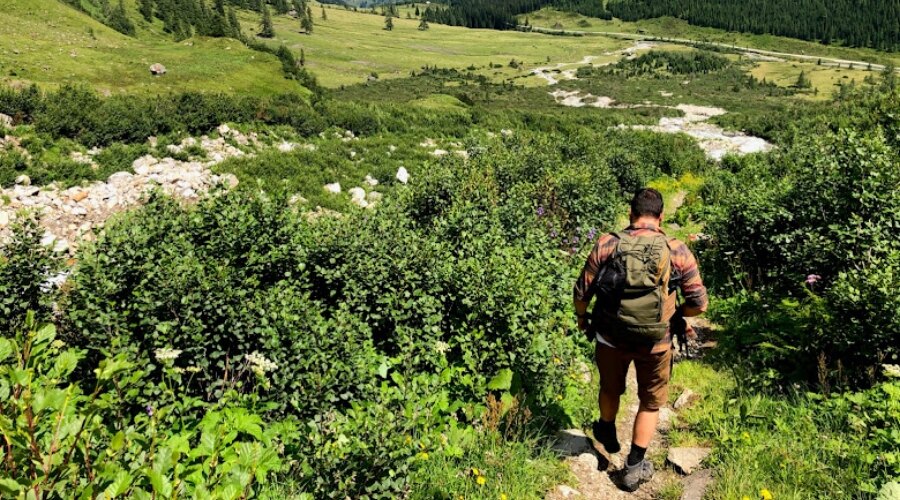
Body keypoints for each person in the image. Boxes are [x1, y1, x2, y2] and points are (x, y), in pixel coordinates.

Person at [573, 188, 708, 492]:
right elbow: (699, 303)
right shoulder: (677, 250)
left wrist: (583, 319)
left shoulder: (608, 244)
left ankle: (607, 429)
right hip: (656, 343)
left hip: (610, 336)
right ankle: (634, 466)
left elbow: (581, 292)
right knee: (649, 402)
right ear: (661, 217)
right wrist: (675, 314)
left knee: (610, 387)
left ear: (631, 213)